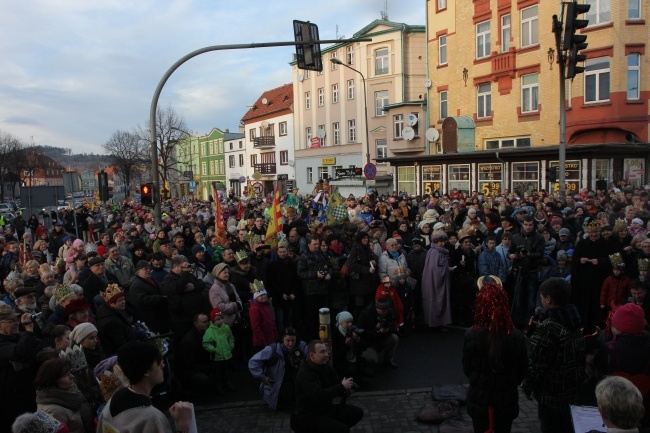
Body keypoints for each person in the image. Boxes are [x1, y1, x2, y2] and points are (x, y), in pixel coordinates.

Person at [463, 279, 527, 433]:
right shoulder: (516, 336)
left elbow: (467, 368)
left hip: (480, 400)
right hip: (506, 400)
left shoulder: (472, 335)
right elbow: (522, 369)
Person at [521, 278, 585, 433]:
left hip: (552, 394)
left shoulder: (549, 328)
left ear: (548, 299)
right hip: (572, 390)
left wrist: (527, 387)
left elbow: (537, 363)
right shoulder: (574, 319)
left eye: (542, 297)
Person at [98, 341, 193, 433]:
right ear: (146, 371)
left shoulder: (113, 400)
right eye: (158, 362)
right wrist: (183, 425)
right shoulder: (152, 418)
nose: (163, 365)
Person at [291, 340, 364, 433]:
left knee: (356, 413)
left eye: (326, 351)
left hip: (325, 409)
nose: (326, 354)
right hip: (309, 416)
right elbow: (319, 395)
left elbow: (336, 380)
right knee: (342, 430)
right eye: (322, 352)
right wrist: (341, 387)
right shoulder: (305, 374)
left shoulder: (324, 366)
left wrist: (346, 389)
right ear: (311, 355)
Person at [0, 305, 48, 433]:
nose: (16, 323)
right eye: (11, 321)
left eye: (16, 320)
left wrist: (26, 364)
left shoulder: (20, 336)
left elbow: (43, 346)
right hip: (11, 403)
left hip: (29, 395)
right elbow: (19, 353)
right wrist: (28, 333)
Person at [248, 327, 308, 411]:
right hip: (280, 385)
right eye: (287, 340)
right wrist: (262, 377)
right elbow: (253, 362)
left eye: (293, 340)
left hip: (296, 381)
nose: (290, 344)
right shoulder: (273, 349)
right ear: (282, 339)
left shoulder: (302, 346)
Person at [34, 357, 94, 433]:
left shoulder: (71, 392)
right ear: (53, 381)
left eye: (70, 372)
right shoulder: (53, 411)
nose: (72, 376)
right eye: (66, 375)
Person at [421, 231, 452, 330]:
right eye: (440, 241)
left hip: (438, 280)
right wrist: (446, 269)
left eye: (443, 241)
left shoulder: (438, 251)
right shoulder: (435, 252)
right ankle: (436, 323)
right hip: (435, 281)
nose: (442, 243)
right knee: (436, 300)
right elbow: (435, 269)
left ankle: (440, 322)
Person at [202, 307, 236, 393]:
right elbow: (205, 343)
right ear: (213, 321)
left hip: (227, 355)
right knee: (217, 374)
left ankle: (227, 384)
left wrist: (231, 346)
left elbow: (231, 338)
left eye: (221, 319)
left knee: (226, 372)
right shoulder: (209, 331)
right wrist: (213, 350)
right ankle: (218, 386)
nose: (220, 321)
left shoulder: (226, 328)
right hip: (217, 357)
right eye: (217, 319)